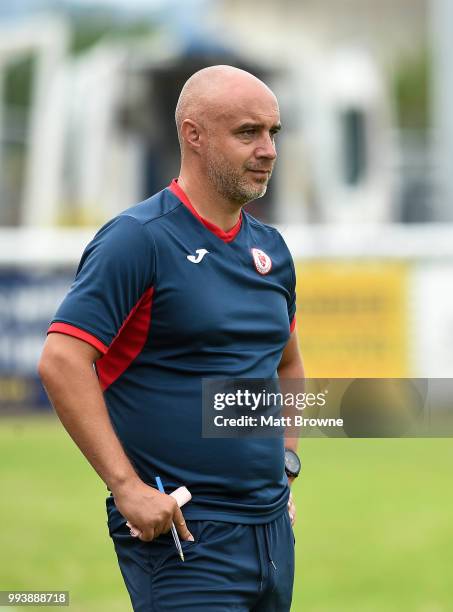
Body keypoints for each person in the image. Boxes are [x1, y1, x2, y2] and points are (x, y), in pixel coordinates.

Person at [38, 65, 304, 612]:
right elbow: (62, 360)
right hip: (184, 534)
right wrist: (127, 488)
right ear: (193, 134)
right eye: (248, 132)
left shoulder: (272, 250)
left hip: (271, 531)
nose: (268, 149)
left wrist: (288, 462)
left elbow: (288, 366)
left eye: (273, 133)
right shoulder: (137, 240)